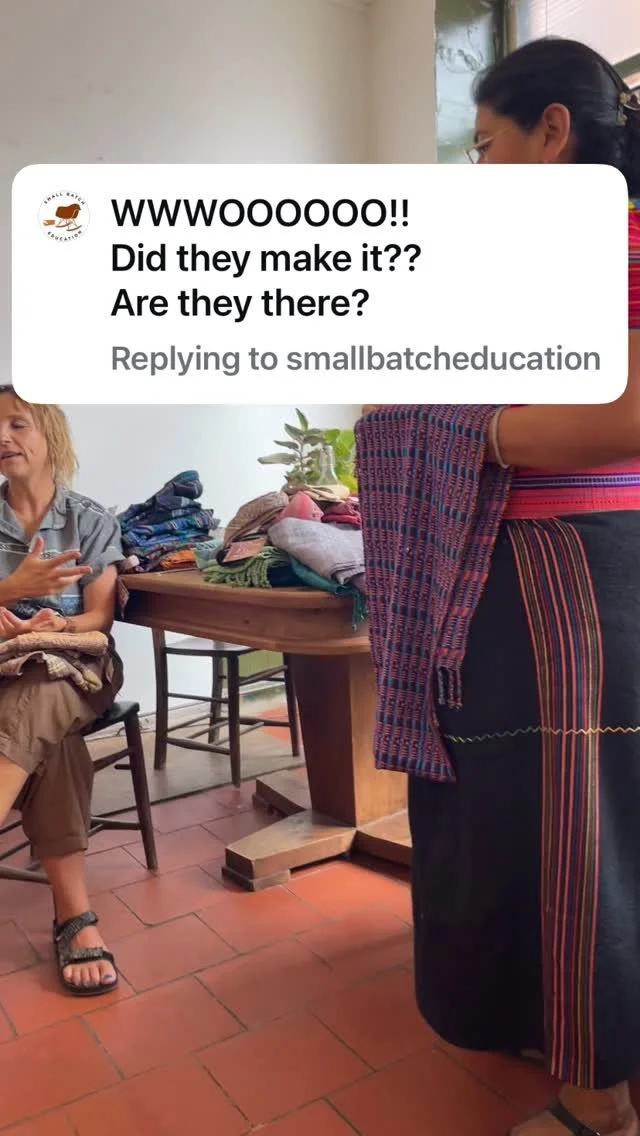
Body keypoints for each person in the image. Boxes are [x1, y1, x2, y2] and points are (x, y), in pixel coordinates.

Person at [359, 37, 640, 1136]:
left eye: (485, 145)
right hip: (552, 563)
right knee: (554, 814)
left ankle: (598, 1101)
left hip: (564, 568)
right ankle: (574, 1037)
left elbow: (626, 414)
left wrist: (465, 428)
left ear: (552, 132)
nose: (477, 170)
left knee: (571, 825)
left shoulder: (605, 240)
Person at [0, 386, 125, 996]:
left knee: (47, 680)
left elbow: (99, 618)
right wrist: (11, 590)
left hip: (78, 663)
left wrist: (58, 625)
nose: (3, 438)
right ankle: (75, 919)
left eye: (17, 424)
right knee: (51, 739)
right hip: (5, 670)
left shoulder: (91, 520)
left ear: (50, 434)